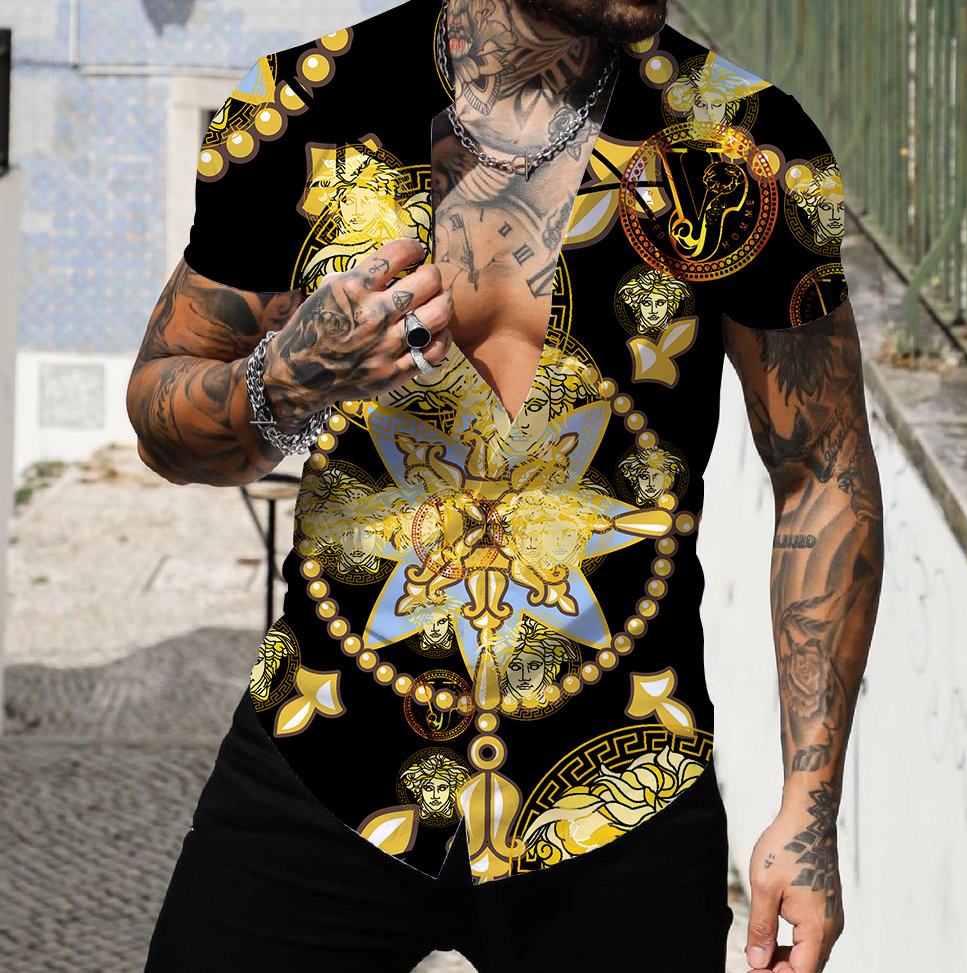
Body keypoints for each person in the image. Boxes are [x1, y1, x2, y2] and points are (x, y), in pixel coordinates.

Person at [129, 1, 883, 971]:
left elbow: (823, 471)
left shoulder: (739, 148)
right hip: (325, 760)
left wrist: (808, 809)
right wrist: (288, 379)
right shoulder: (302, 108)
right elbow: (162, 418)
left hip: (619, 792)